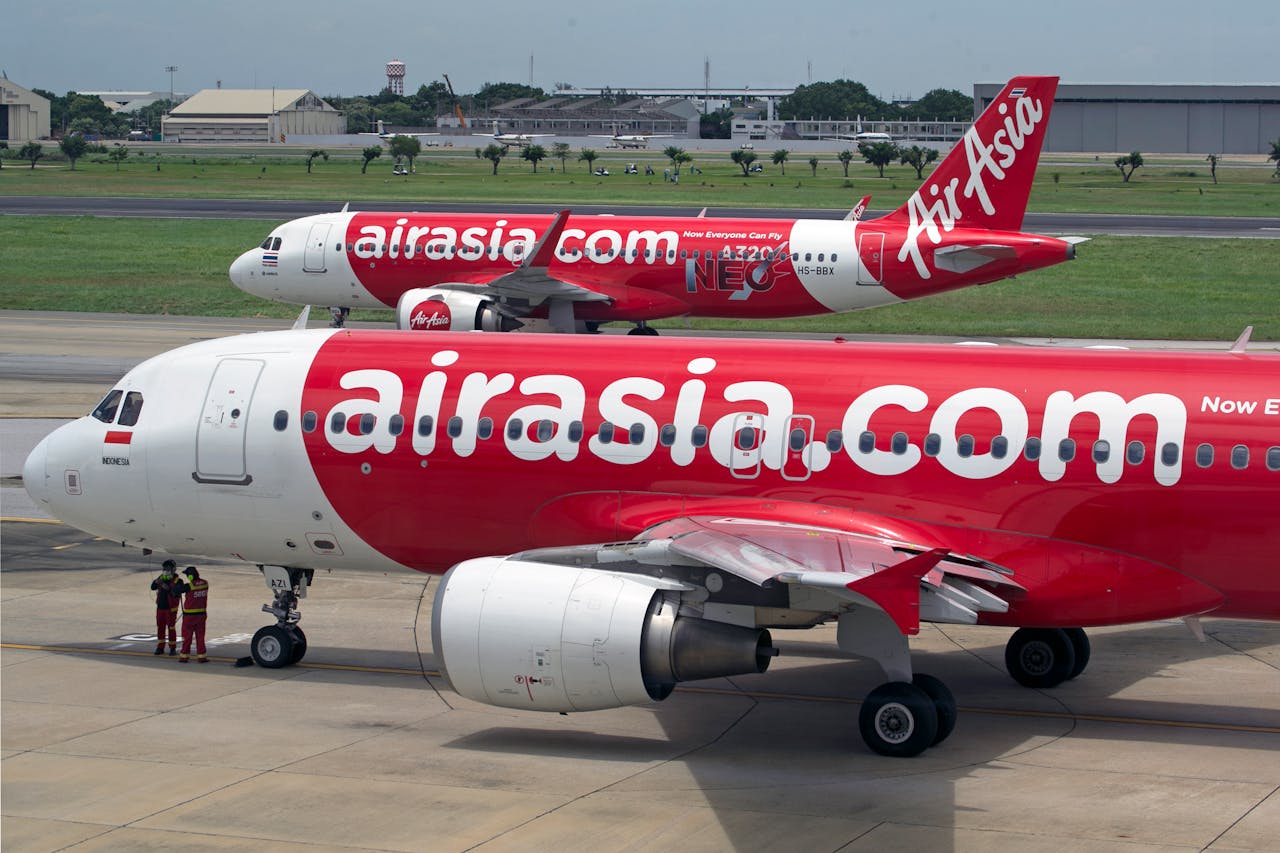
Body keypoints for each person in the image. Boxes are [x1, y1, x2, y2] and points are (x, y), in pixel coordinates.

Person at [173, 566, 210, 663]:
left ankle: (184, 656)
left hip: (189, 616)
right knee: (200, 636)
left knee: (187, 637)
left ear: (190, 576)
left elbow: (176, 591)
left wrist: (178, 584)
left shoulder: (190, 586)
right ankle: (202, 657)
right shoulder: (205, 583)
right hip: (201, 615)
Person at [150, 559, 180, 656]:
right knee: (160, 628)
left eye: (168, 568)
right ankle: (160, 647)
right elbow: (153, 587)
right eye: (164, 568)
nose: (166, 570)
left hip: (170, 609)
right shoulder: (161, 577)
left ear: (173, 569)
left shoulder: (178, 580)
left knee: (171, 628)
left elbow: (175, 593)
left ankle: (172, 648)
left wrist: (165, 586)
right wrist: (157, 582)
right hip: (160, 608)